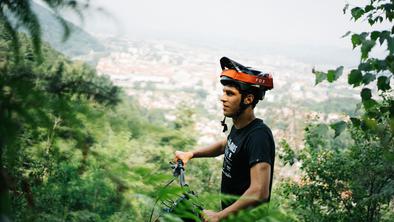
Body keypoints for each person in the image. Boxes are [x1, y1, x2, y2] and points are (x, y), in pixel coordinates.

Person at [174, 57, 275, 222]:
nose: (223, 98)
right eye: (224, 92)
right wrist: (191, 154)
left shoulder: (259, 136)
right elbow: (226, 145)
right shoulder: (240, 128)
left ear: (248, 99)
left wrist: (219, 216)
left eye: (230, 94)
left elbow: (260, 191)